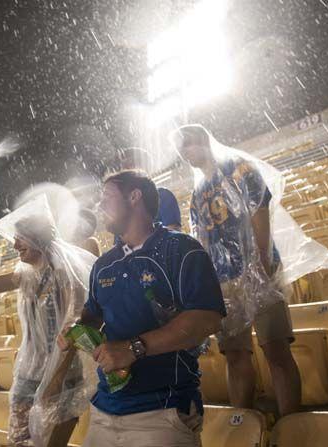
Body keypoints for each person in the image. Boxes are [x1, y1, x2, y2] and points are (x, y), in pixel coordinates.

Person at [57, 170, 226, 447]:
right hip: (104, 408)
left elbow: (207, 319)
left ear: (134, 196)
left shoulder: (182, 249)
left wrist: (134, 347)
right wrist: (75, 329)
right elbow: (92, 316)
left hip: (163, 410)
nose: (99, 205)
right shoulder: (104, 265)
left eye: (106, 197)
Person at [170, 124, 301, 416]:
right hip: (223, 281)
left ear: (205, 140)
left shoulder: (238, 168)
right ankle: (243, 422)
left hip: (257, 270)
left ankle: (291, 424)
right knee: (235, 354)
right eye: (182, 149)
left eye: (189, 144)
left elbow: (259, 210)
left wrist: (262, 265)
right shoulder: (198, 191)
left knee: (276, 349)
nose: (186, 152)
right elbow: (202, 238)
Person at [0, 202, 96, 447]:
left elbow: (75, 325)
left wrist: (56, 376)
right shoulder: (25, 274)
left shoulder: (64, 274)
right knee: (19, 441)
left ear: (38, 239)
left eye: (21, 239)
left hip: (64, 373)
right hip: (29, 372)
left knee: (51, 443)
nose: (15, 245)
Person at [118, 147, 182, 231]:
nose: (124, 173)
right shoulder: (123, 206)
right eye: (123, 168)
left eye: (130, 166)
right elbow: (120, 241)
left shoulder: (162, 196)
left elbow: (174, 233)